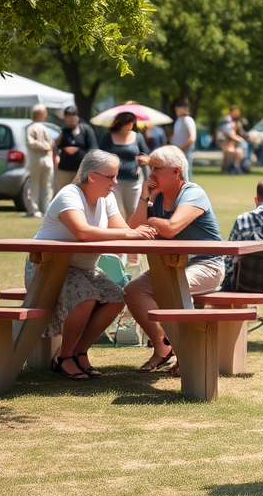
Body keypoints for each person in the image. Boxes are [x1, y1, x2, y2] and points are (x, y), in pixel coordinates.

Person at [27, 150, 155, 379]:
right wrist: (130, 236)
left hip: (84, 268)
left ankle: (80, 352)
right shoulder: (69, 195)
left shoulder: (107, 199)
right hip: (48, 267)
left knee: (117, 297)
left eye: (117, 176)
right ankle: (64, 358)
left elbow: (120, 230)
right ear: (92, 176)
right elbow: (83, 232)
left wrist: (137, 228)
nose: (115, 183)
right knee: (85, 297)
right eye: (111, 177)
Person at [123, 145, 225, 375]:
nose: (152, 175)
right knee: (133, 291)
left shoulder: (193, 193)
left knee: (168, 290)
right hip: (171, 268)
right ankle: (164, 346)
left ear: (176, 172)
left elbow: (170, 229)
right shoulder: (156, 197)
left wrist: (154, 222)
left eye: (157, 169)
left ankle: (187, 355)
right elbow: (133, 227)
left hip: (206, 266)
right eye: (150, 169)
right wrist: (144, 198)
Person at [97, 111, 150, 220]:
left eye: (132, 124)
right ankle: (120, 234)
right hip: (113, 181)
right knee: (117, 212)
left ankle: (133, 234)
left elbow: (147, 156)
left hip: (133, 182)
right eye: (128, 123)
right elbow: (99, 156)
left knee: (133, 211)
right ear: (121, 123)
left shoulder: (138, 137)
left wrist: (143, 161)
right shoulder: (108, 138)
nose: (131, 126)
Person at [52, 105, 98, 195]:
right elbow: (56, 146)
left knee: (80, 194)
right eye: (68, 118)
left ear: (77, 117)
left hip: (81, 170)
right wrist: (56, 156)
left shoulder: (85, 130)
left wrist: (79, 153)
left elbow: (93, 149)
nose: (70, 120)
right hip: (64, 169)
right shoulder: (63, 132)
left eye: (73, 117)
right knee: (62, 194)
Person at [25, 104, 55, 217]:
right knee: (38, 184)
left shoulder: (41, 127)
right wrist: (45, 146)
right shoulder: (33, 128)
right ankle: (36, 209)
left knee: (44, 185)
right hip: (38, 158)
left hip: (43, 159)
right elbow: (31, 143)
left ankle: (44, 208)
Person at [170, 99, 197, 175]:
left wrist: (180, 149)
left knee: (186, 175)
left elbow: (192, 138)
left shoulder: (188, 120)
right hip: (178, 152)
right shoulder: (179, 120)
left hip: (185, 152)